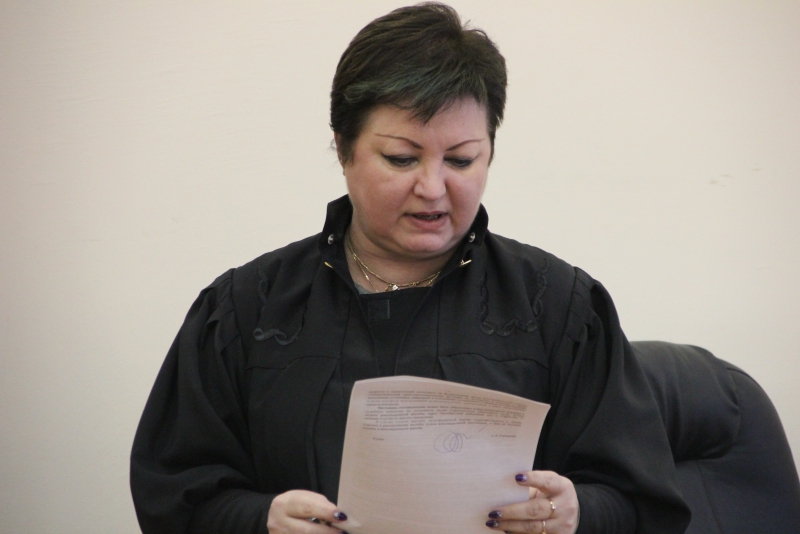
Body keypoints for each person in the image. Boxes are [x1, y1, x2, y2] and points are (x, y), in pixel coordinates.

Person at [130, 3, 691, 534]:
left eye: (461, 160)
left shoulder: (558, 306)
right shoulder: (248, 308)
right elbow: (176, 491)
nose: (432, 188)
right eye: (401, 158)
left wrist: (575, 513)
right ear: (343, 150)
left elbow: (641, 499)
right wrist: (261, 520)